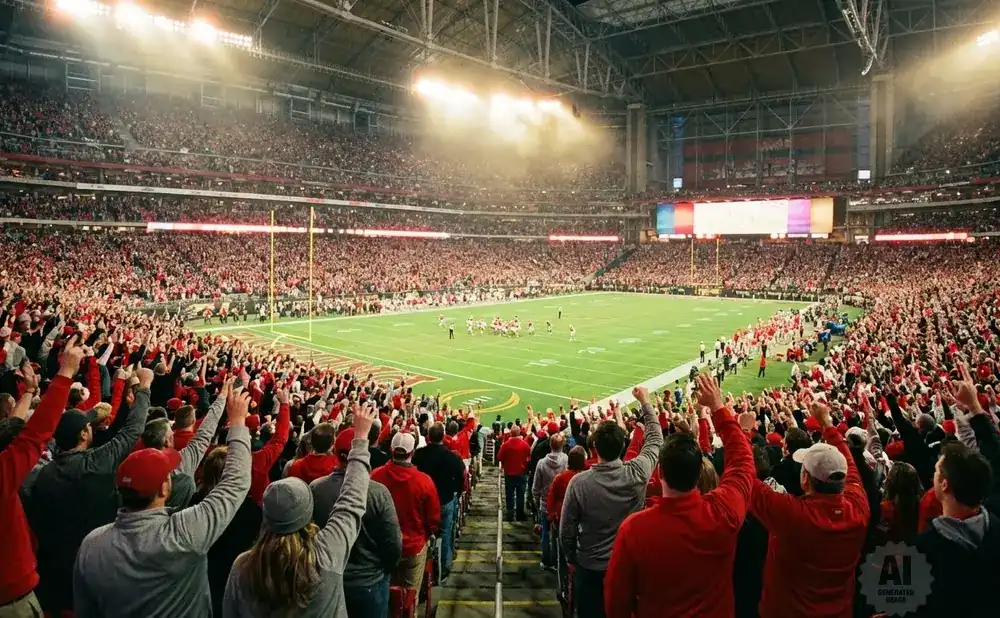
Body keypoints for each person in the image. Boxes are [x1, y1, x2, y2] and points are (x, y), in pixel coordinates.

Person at [72, 385, 253, 617]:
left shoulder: (92, 544)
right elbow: (235, 483)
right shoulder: (183, 534)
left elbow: (85, 611)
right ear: (164, 489)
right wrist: (237, 421)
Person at [603, 374, 755, 618]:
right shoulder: (723, 511)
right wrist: (718, 408)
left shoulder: (635, 529)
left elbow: (615, 600)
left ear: (660, 471)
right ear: (699, 474)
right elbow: (743, 463)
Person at [24, 359, 154, 616]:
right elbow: (133, 430)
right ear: (84, 434)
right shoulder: (97, 462)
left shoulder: (42, 474)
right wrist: (144, 387)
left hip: (52, 571)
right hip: (98, 563)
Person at [223, 403, 378, 617]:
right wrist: (360, 440)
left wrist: (237, 426)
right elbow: (352, 501)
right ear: (308, 514)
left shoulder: (243, 567)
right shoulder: (327, 553)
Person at [749, 401, 869, 618]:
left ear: (805, 479)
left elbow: (745, 479)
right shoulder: (858, 509)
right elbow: (849, 465)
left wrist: (739, 428)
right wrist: (827, 425)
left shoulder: (793, 515)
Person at [559, 385, 663, 618]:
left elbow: (566, 530)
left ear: (594, 448)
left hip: (590, 567)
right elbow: (656, 438)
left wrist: (572, 558)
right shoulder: (636, 473)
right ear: (622, 445)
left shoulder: (579, 483)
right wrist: (645, 402)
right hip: (626, 566)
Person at [0, 340, 81, 617]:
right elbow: (33, 437)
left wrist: (32, 390)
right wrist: (66, 373)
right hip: (12, 602)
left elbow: (16, 432)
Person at [311, 423, 402, 618]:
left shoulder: (316, 489)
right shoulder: (378, 492)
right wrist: (382, 570)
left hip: (328, 578)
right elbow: (393, 544)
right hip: (369, 582)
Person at [371, 431, 441, 595]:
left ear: (391, 449)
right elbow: (433, 519)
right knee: (409, 597)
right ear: (412, 452)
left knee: (386, 595)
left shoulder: (375, 475)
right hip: (413, 546)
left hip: (383, 546)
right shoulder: (423, 481)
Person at [412, 422, 466, 578]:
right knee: (445, 533)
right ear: (443, 436)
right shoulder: (452, 457)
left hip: (423, 503)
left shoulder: (419, 454)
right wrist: (455, 491)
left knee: (423, 532)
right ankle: (444, 567)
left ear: (428, 437)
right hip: (445, 500)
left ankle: (423, 569)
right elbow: (460, 479)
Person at [532, 433, 567, 571]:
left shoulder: (541, 463)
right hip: (561, 506)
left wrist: (536, 501)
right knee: (559, 534)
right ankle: (557, 561)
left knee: (545, 534)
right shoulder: (566, 460)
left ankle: (547, 560)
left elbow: (536, 487)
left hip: (545, 505)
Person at [498, 425, 531, 521]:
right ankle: (519, 514)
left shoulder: (506, 444)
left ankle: (510, 514)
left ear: (511, 433)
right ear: (519, 433)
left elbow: (499, 457)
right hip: (521, 473)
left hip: (509, 474)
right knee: (521, 495)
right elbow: (529, 456)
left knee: (509, 494)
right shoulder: (525, 445)